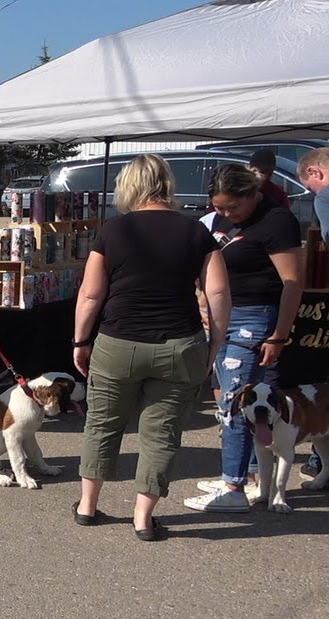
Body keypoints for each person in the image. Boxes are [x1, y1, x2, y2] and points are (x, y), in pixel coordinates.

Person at [72, 155, 230, 540]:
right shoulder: (196, 231)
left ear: (128, 186)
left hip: (118, 341)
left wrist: (80, 340)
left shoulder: (114, 230)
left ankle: (88, 506)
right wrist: (215, 343)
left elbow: (91, 294)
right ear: (167, 185)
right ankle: (143, 518)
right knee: (162, 433)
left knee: (102, 424)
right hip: (180, 344)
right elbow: (218, 292)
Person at [185, 164, 304, 513]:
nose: (225, 213)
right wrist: (203, 302)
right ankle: (249, 476)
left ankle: (233, 487)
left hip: (255, 316)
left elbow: (293, 282)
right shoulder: (223, 221)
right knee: (228, 400)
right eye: (218, 207)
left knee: (237, 403)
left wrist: (279, 334)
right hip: (223, 317)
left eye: (232, 207)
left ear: (253, 193)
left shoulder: (277, 221)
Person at [296, 147, 329, 480]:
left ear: (315, 173)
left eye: (309, 186)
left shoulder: (325, 198)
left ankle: (320, 462)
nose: (311, 193)